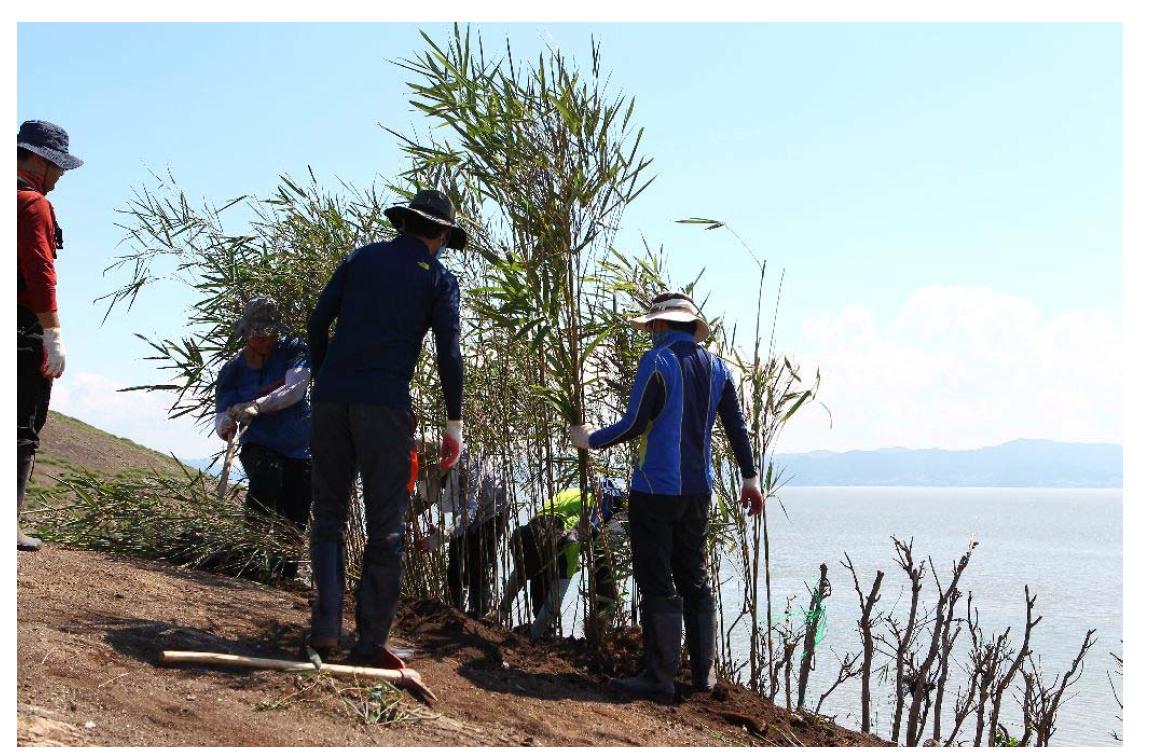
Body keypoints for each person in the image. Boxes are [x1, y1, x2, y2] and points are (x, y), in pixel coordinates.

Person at [569, 291, 764, 702]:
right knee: (694, 574)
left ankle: (659, 676)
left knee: (656, 577)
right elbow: (737, 427)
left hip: (655, 490)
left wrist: (590, 440)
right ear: (692, 327)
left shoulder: (656, 362)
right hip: (698, 492)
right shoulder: (718, 368)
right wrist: (750, 478)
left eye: (651, 327)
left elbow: (635, 423)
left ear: (659, 325)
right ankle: (703, 676)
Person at [305, 188, 466, 666]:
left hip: (331, 400)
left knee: (329, 516)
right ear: (440, 234)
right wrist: (453, 423)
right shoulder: (438, 279)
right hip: (385, 407)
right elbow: (449, 355)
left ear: (403, 223)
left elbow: (318, 324)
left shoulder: (359, 259)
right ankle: (371, 641)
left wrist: (324, 379)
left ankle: (325, 629)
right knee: (386, 528)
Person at [17, 120, 83, 552]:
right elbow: (40, 272)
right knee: (22, 424)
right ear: (39, 161)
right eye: (57, 167)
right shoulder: (32, 204)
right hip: (21, 327)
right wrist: (52, 333)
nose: (59, 177)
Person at [214, 296, 312, 578]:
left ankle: (285, 578)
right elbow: (220, 417)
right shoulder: (232, 371)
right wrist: (229, 421)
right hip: (259, 443)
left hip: (300, 447)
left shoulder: (294, 350)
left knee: (296, 510)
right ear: (245, 333)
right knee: (267, 479)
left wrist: (258, 405)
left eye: (270, 335)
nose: (265, 341)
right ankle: (250, 561)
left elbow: (296, 389)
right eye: (258, 335)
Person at [498, 478, 624, 639]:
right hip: (561, 539)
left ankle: (503, 614)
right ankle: (534, 636)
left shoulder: (572, 493)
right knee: (551, 595)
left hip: (533, 530)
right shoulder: (603, 506)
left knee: (527, 571)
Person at [422, 453, 510, 616]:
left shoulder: (466, 467)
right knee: (455, 563)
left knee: (478, 562)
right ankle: (455, 613)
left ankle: (479, 612)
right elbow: (426, 500)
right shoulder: (441, 466)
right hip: (467, 512)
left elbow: (469, 511)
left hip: (492, 512)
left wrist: (443, 536)